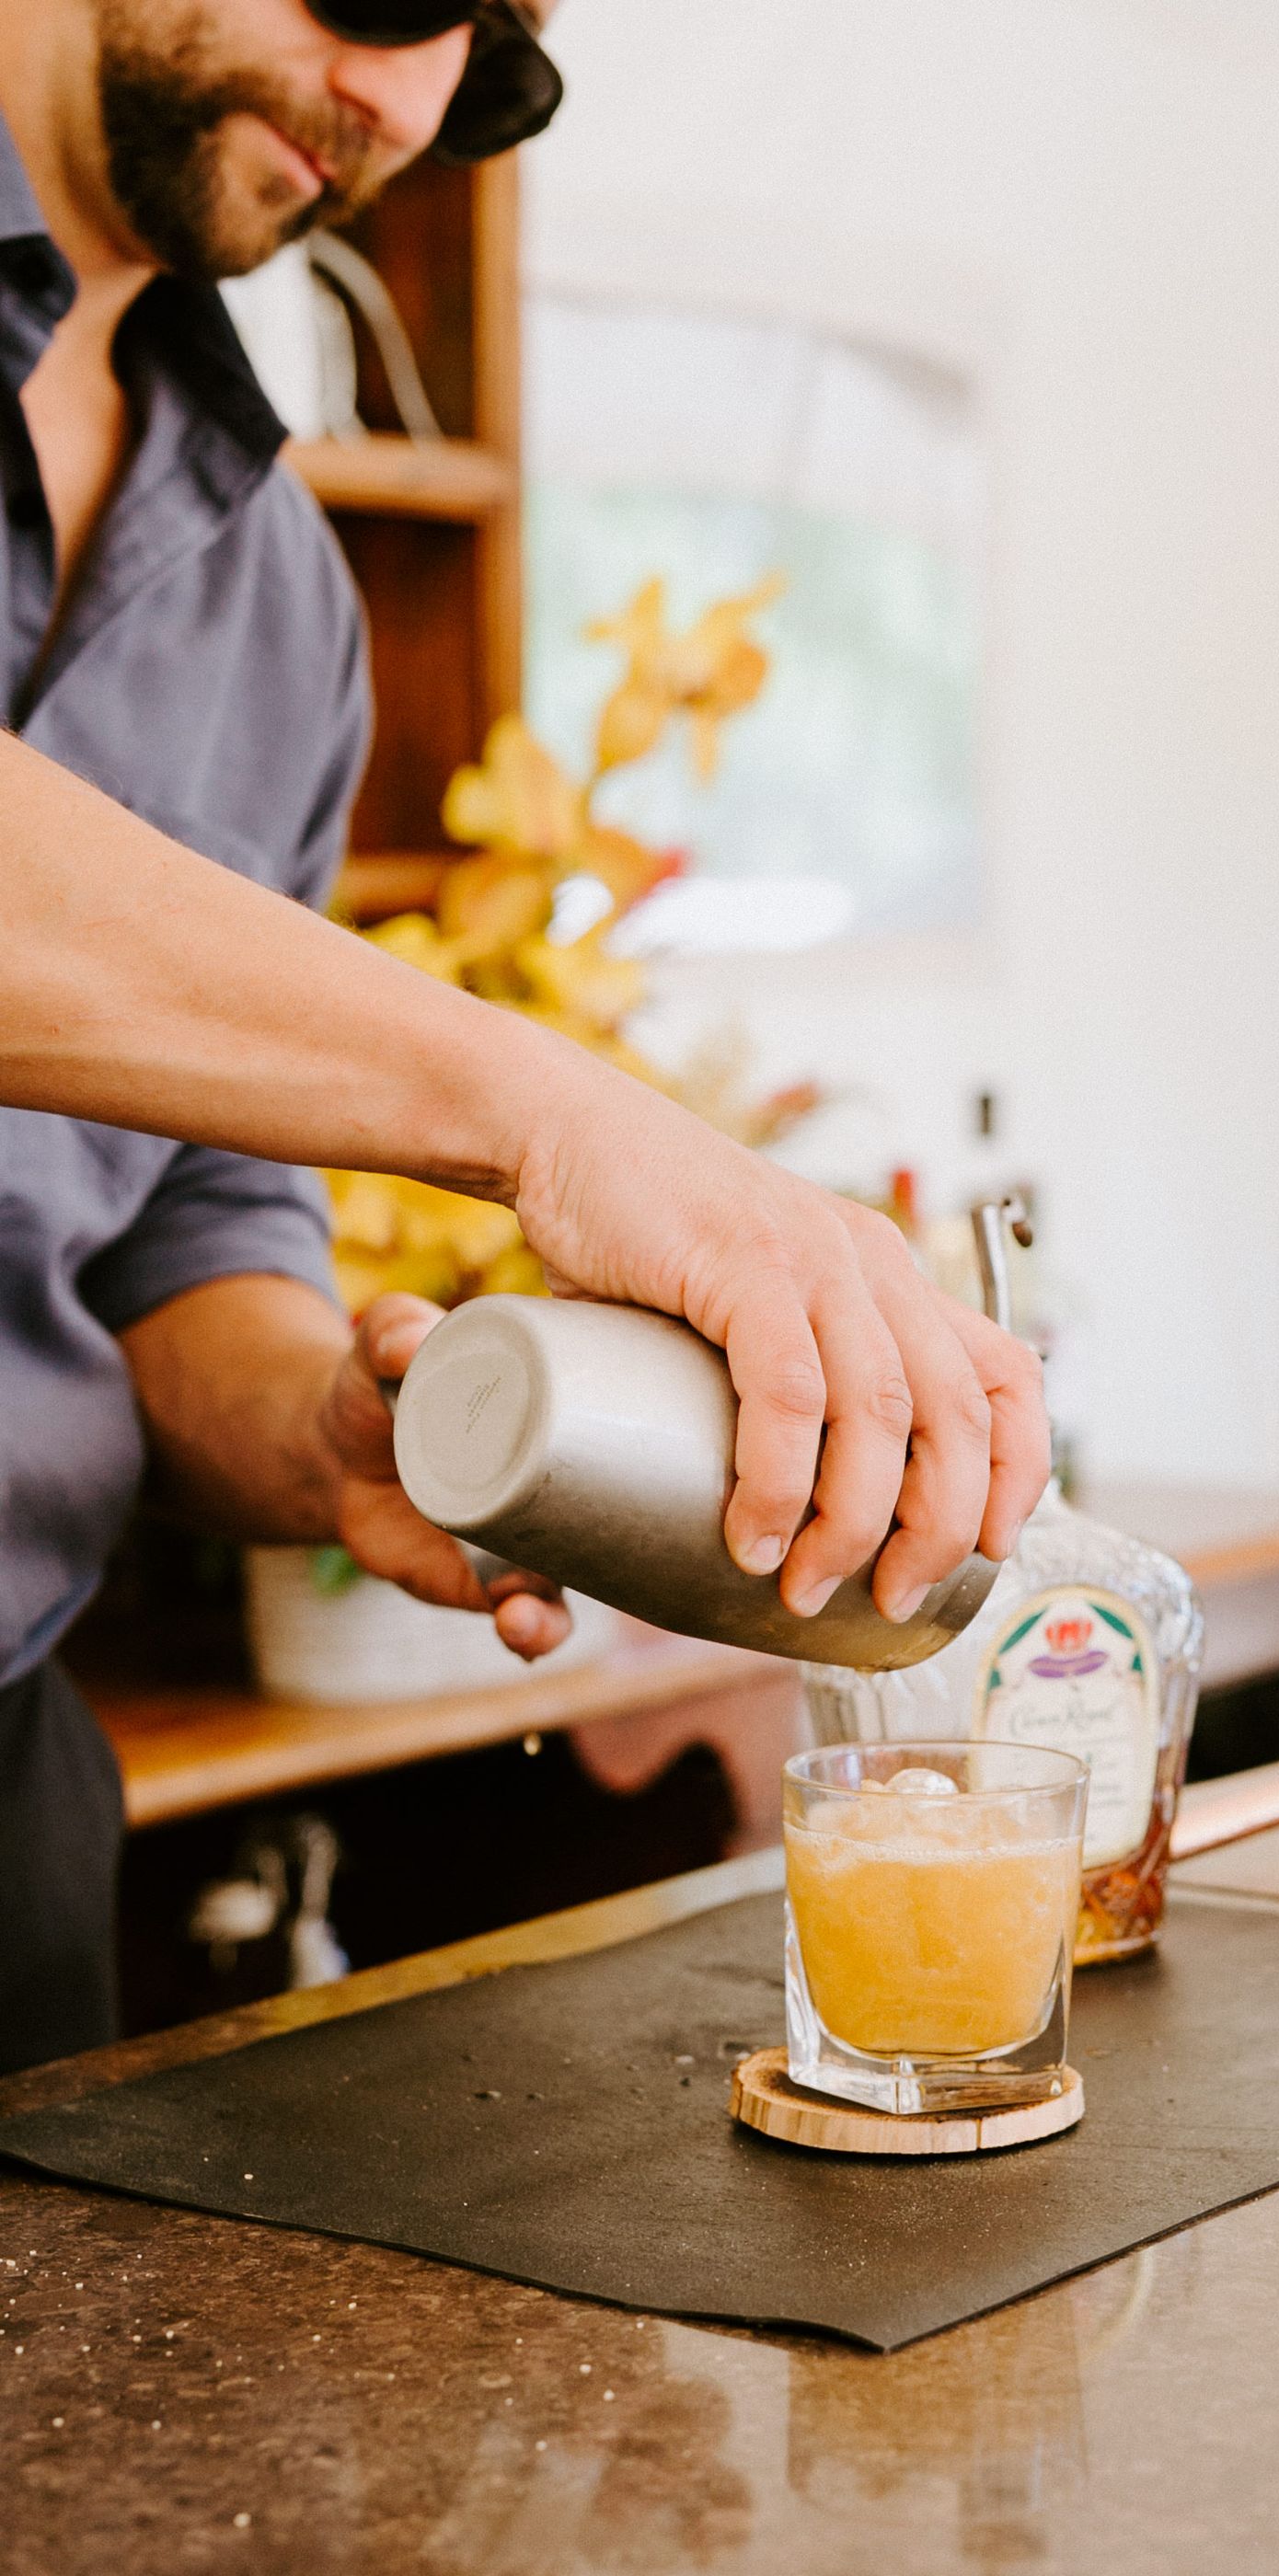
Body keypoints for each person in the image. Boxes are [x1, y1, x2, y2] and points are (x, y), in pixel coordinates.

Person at [0, 1, 1048, 2073]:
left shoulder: (276, 598)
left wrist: (322, 1425)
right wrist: (566, 1127)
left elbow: (178, 1234)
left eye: (486, 78)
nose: (398, 108)